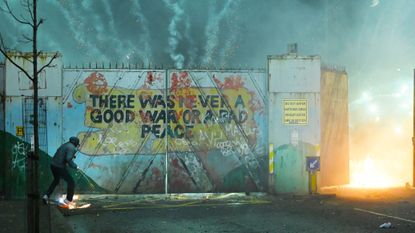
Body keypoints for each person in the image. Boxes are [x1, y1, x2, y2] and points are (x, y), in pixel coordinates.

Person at [42, 136, 80, 207]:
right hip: (59, 167)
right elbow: (68, 159)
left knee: (56, 180)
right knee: (71, 182)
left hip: (53, 165)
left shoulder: (65, 145)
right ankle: (68, 200)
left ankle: (46, 195)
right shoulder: (72, 147)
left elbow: (61, 154)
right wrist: (75, 166)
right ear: (76, 143)